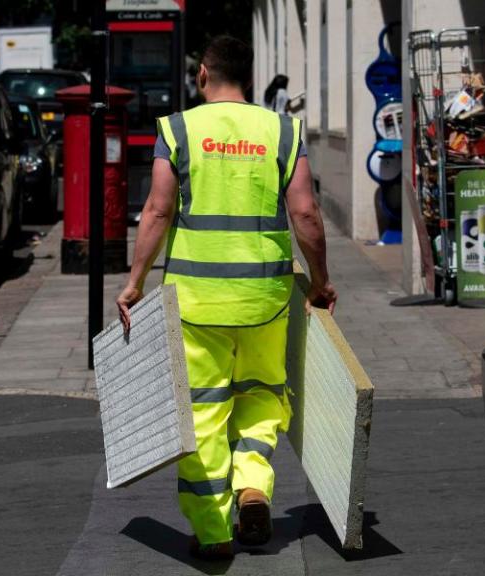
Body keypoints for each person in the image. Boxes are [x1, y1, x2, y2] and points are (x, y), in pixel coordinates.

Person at [116, 35, 336, 560]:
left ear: (202, 76)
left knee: (203, 412)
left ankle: (213, 531)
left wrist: (135, 282)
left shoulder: (179, 128)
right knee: (261, 395)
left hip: (197, 299)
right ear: (250, 76)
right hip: (265, 296)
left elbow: (157, 211)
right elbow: (305, 214)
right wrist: (322, 280)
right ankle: (254, 487)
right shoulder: (283, 130)